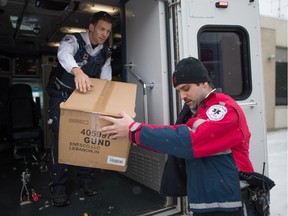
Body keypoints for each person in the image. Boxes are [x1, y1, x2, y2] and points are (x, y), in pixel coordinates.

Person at [99, 57, 259, 215]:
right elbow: (174, 141)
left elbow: (189, 140)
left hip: (231, 204)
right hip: (213, 202)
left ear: (204, 83)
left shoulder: (224, 109)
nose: (182, 96)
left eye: (186, 88)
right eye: (179, 91)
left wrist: (134, 130)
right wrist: (132, 135)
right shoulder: (199, 109)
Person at [46, 11, 113, 207]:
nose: (104, 34)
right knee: (62, 138)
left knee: (88, 136)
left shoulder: (106, 52)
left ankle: (86, 179)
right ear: (91, 27)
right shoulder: (73, 40)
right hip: (62, 95)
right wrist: (77, 71)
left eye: (108, 31)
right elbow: (63, 54)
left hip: (85, 98)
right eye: (101, 29)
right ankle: (58, 187)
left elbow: (105, 80)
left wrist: (105, 105)